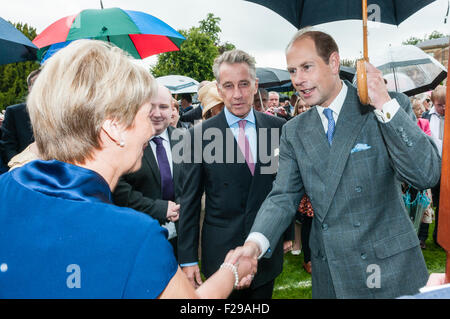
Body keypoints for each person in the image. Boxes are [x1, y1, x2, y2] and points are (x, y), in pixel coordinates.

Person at [0, 40, 256, 299]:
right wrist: (232, 271)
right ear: (114, 128)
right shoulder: (134, 237)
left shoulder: (6, 188)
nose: (154, 125)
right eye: (145, 112)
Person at [229, 29, 441, 299]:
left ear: (333, 62)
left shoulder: (385, 106)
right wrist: (254, 244)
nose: (298, 80)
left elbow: (426, 174)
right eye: (293, 71)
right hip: (332, 272)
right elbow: (282, 196)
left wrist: (383, 104)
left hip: (390, 268)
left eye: (307, 67)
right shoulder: (294, 131)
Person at [178, 49, 291, 299]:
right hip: (220, 255)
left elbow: (284, 187)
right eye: (228, 86)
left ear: (255, 86)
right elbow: (189, 202)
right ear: (219, 89)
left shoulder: (279, 128)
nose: (237, 94)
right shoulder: (198, 137)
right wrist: (187, 258)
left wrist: (284, 233)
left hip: (265, 251)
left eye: (243, 84)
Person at [113, 85, 184, 259]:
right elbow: (117, 188)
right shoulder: (124, 141)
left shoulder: (185, 139)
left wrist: (181, 206)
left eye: (164, 107)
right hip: (139, 238)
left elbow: (193, 182)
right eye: (151, 106)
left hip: (181, 239)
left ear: (173, 109)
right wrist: (158, 208)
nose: (157, 113)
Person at [420, 85, 446, 247]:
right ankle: (422, 236)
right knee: (426, 202)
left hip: (447, 167)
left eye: (446, 104)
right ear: (433, 102)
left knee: (444, 205)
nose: (443, 108)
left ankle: (440, 237)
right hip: (430, 166)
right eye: (439, 105)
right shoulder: (425, 117)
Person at [0, 68, 40, 166]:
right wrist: (18, 166)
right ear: (29, 88)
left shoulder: (60, 112)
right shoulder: (14, 112)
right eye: (36, 83)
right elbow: (8, 146)